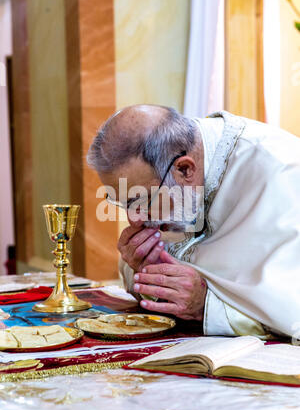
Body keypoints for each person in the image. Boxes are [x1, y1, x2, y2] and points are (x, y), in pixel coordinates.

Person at [87, 104, 300, 340]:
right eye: (122, 203)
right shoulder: (168, 170)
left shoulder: (281, 174)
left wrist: (206, 307)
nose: (133, 219)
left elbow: (290, 314)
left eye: (140, 201)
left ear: (185, 169)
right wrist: (146, 269)